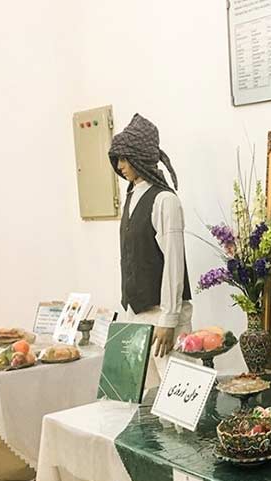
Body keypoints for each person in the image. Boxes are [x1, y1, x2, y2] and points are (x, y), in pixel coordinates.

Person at [108, 113, 192, 386]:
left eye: (125, 158)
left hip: (163, 315)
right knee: (144, 396)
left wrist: (169, 320)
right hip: (137, 314)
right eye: (117, 159)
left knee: (176, 394)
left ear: (140, 156)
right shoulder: (132, 196)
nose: (120, 166)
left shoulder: (165, 200)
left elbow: (174, 263)